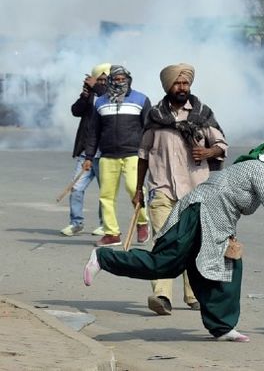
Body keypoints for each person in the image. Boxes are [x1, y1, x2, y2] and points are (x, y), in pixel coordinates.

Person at [83, 137, 264, 343]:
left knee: (224, 268)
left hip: (215, 223)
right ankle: (103, 258)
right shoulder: (259, 168)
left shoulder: (255, 170)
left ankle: (222, 327)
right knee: (165, 263)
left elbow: (229, 202)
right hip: (196, 214)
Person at [133, 63, 228, 316]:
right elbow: (143, 155)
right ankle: (161, 296)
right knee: (163, 243)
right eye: (177, 83)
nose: (182, 87)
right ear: (168, 86)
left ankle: (193, 294)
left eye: (185, 83)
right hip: (162, 191)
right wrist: (138, 190)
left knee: (193, 244)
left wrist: (209, 151)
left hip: (197, 192)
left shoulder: (202, 114)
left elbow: (221, 144)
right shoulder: (155, 117)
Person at [84, 65, 152, 246]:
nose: (120, 82)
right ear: (110, 81)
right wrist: (89, 157)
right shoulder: (100, 102)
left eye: (123, 79)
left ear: (129, 79)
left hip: (133, 154)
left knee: (134, 189)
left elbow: (149, 129)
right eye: (116, 79)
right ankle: (112, 233)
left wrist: (151, 153)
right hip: (107, 156)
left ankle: (142, 222)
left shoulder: (141, 99)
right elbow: (93, 132)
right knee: (106, 196)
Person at [60, 63, 110, 237]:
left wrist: (95, 86)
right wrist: (84, 95)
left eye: (105, 80)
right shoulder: (91, 96)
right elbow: (75, 111)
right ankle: (76, 223)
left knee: (106, 192)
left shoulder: (112, 97)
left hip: (105, 153)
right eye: (100, 80)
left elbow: (107, 96)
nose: (102, 83)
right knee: (76, 187)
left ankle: (106, 225)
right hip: (86, 152)